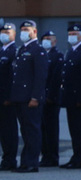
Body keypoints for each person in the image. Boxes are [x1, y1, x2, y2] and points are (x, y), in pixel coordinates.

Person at [11, 20, 48, 173]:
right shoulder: (22, 50)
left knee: (32, 130)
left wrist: (35, 97)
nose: (24, 32)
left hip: (30, 98)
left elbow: (40, 76)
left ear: (34, 32)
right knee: (25, 131)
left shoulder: (38, 50)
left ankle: (32, 162)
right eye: (22, 30)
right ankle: (25, 162)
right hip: (20, 97)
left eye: (27, 29)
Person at [0, 23, 20, 171]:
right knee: (2, 130)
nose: (4, 34)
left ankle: (11, 159)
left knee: (9, 130)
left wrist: (10, 96)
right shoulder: (0, 51)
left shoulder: (14, 51)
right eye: (2, 32)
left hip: (7, 99)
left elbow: (12, 77)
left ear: (14, 35)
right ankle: (6, 158)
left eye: (7, 32)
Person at [40, 31, 64, 167]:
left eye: (49, 39)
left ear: (54, 41)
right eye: (44, 39)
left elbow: (56, 79)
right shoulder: (42, 54)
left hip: (52, 99)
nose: (46, 41)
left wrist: (50, 96)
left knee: (51, 129)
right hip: (41, 97)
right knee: (43, 128)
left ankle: (53, 156)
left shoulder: (58, 56)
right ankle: (45, 155)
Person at [62, 24, 81, 169]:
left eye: (75, 33)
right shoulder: (70, 52)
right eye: (70, 33)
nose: (72, 36)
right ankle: (76, 157)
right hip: (70, 99)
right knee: (74, 130)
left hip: (78, 99)